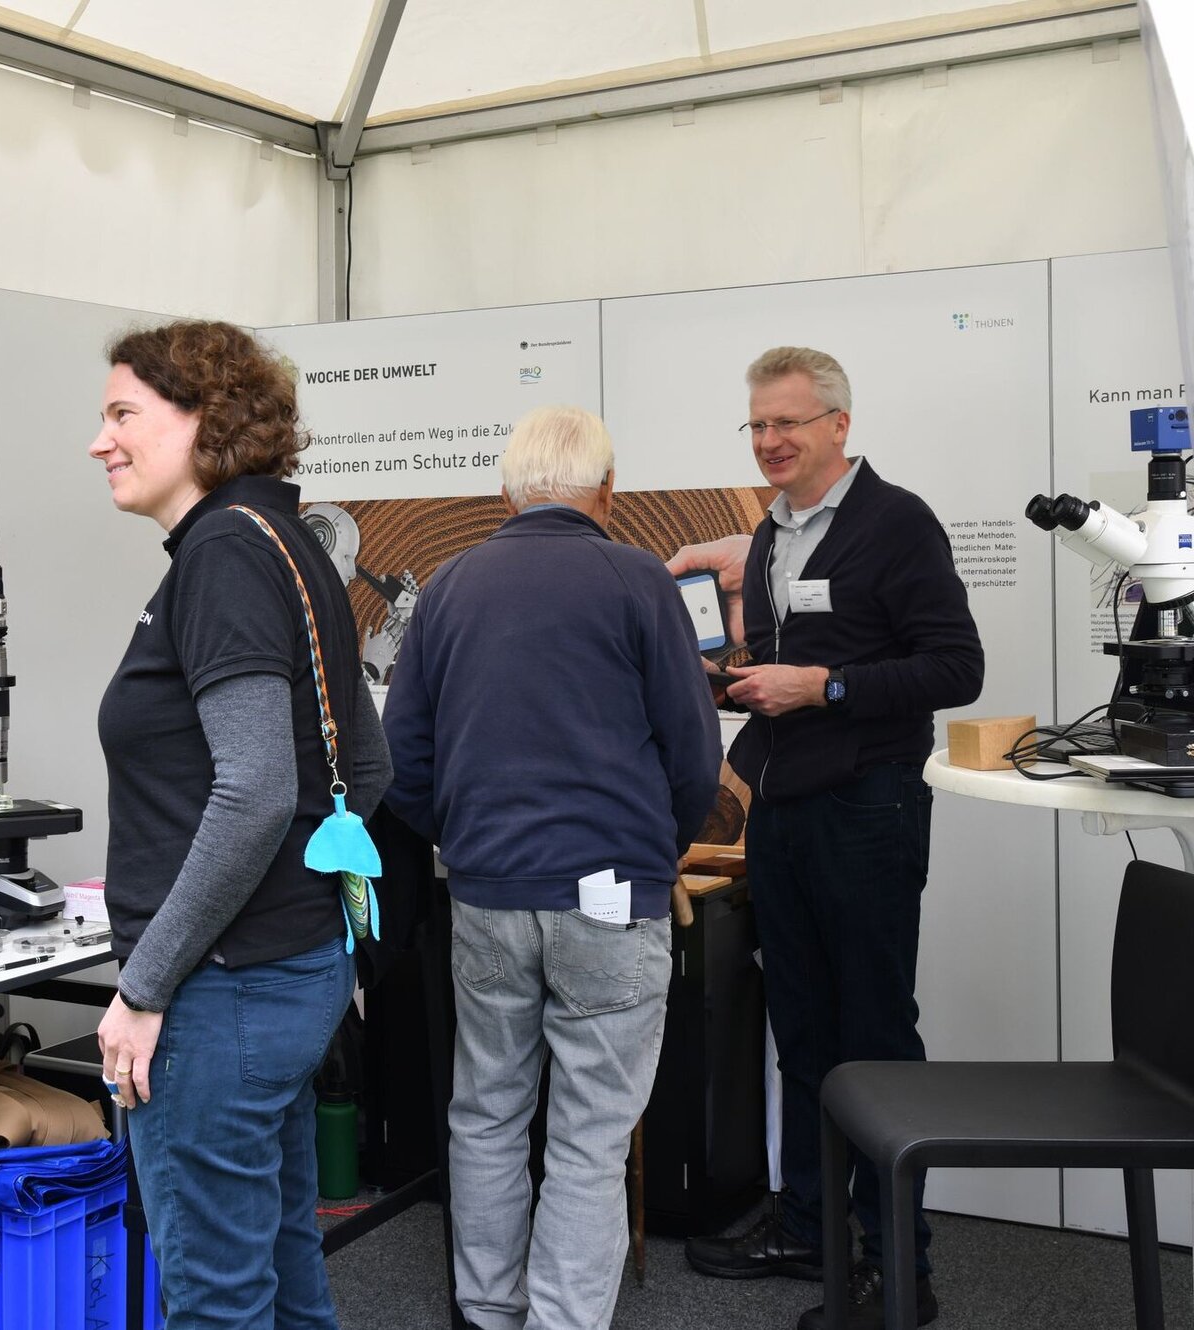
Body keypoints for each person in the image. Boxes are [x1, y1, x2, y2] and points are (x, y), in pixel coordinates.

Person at [381, 405, 721, 1330]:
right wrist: (655, 847)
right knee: (590, 1138)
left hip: (487, 892)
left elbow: (399, 757)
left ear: (507, 494)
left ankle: (487, 1312)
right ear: (607, 491)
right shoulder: (639, 580)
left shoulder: (448, 585)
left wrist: (464, 837)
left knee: (486, 1115)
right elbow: (694, 753)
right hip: (614, 897)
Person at [90, 320, 391, 1330]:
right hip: (291, 971)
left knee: (217, 1301)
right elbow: (368, 767)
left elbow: (257, 791)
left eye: (122, 413)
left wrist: (143, 984)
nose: (100, 440)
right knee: (286, 1274)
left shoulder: (221, 553)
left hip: (215, 994)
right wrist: (294, 903)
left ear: (204, 420)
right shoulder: (285, 541)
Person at [675, 347, 983, 1330]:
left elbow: (956, 668)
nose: (770, 441)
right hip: (786, 814)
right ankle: (811, 1227)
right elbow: (793, 662)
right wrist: (744, 682)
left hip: (867, 809)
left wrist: (824, 688)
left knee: (874, 1037)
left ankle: (900, 1267)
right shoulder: (772, 531)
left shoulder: (896, 523)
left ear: (838, 426)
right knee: (802, 1030)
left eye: (788, 423)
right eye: (757, 424)